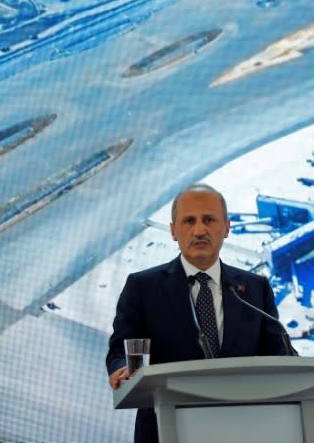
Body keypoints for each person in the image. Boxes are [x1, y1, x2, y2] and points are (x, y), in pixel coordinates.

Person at [106, 183, 290, 443]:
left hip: (243, 431)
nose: (200, 230)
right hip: (165, 430)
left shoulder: (254, 289)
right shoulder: (144, 287)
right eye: (189, 221)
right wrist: (122, 367)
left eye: (209, 220)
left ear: (226, 228)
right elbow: (122, 351)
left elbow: (279, 359)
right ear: (173, 231)